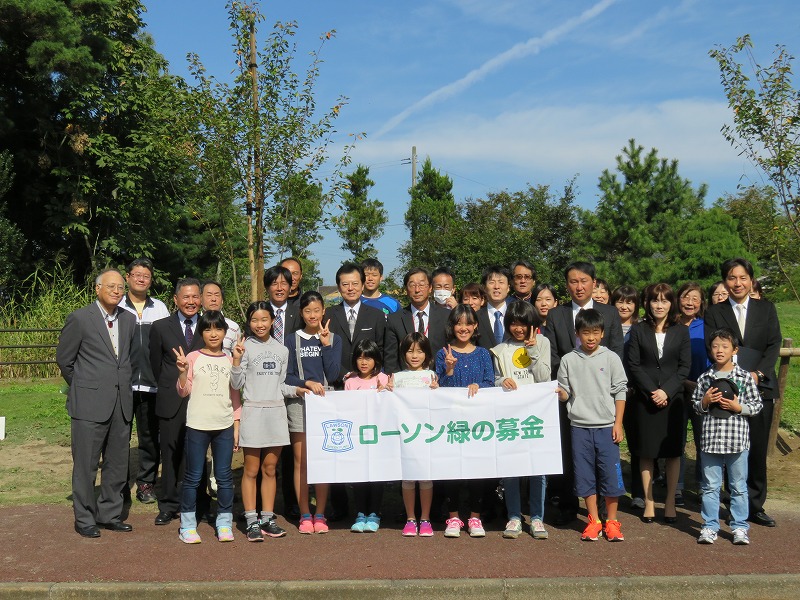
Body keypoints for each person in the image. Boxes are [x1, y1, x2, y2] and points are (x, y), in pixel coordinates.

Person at [56, 268, 136, 538]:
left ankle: (110, 514)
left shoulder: (128, 320)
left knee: (117, 463)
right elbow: (65, 360)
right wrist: (85, 386)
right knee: (86, 464)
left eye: (120, 287)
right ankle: (85, 518)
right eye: (111, 286)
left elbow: (130, 358)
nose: (116, 291)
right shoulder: (80, 318)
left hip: (121, 403)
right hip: (89, 404)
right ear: (97, 289)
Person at [543, 261, 624, 525]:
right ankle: (569, 506)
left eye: (584, 281)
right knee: (572, 453)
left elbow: (616, 353)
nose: (579, 286)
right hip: (570, 398)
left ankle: (604, 511)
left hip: (602, 400)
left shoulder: (610, 314)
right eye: (573, 282)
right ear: (567, 285)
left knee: (604, 459)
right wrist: (571, 381)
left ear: (594, 282)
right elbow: (553, 354)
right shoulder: (557, 314)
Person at [704, 257, 782, 528]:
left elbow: (773, 345)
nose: (737, 283)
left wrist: (757, 374)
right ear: (725, 281)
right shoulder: (715, 312)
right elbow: (712, 345)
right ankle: (733, 502)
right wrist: (735, 375)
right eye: (731, 278)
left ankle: (755, 504)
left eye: (742, 278)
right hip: (728, 386)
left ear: (751, 280)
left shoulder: (766, 309)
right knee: (730, 446)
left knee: (758, 447)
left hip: (760, 385)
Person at [231, 301, 308, 542]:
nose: (259, 324)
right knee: (251, 470)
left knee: (270, 469)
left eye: (264, 319)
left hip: (276, 413)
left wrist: (298, 390)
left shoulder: (282, 350)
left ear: (272, 321)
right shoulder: (244, 347)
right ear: (249, 322)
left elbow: (282, 385)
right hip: (253, 412)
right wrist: (235, 360)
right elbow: (236, 384)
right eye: (254, 320)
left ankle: (267, 518)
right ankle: (251, 520)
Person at [556, 309, 628, 542]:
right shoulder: (568, 360)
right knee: (584, 475)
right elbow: (565, 393)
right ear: (577, 333)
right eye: (585, 333)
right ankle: (594, 520)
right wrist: (559, 394)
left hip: (607, 426)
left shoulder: (611, 358)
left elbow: (620, 391)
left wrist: (618, 423)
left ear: (603, 334)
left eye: (595, 333)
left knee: (610, 475)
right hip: (579, 427)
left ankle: (612, 522)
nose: (590, 338)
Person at [173, 311, 241, 543]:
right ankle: (188, 525)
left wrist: (236, 424)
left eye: (218, 329)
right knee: (193, 477)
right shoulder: (192, 357)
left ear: (225, 332)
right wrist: (182, 372)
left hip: (224, 424)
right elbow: (184, 391)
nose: (213, 334)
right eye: (208, 329)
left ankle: (224, 522)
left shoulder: (231, 358)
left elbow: (235, 394)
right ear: (201, 332)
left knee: (224, 477)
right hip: (197, 424)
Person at [626, 283, 691, 524]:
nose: (659, 305)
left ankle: (671, 501)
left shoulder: (681, 331)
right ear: (647, 303)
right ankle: (650, 501)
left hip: (673, 400)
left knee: (673, 452)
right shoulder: (638, 330)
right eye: (655, 300)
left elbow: (684, 367)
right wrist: (653, 391)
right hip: (646, 399)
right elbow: (634, 364)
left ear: (671, 303)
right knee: (646, 452)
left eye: (664, 301)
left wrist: (667, 391)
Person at [692, 328, 762, 545]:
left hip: (737, 440)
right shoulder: (705, 377)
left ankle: (740, 527)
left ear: (734, 349)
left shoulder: (743, 377)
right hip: (711, 440)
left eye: (724, 346)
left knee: (738, 486)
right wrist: (704, 402)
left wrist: (738, 407)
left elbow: (757, 405)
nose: (719, 350)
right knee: (710, 486)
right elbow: (696, 405)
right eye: (715, 346)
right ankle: (709, 526)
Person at [490, 301, 551, 540]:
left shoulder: (543, 343)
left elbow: (545, 377)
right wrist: (500, 382)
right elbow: (494, 379)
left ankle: (537, 517)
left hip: (537, 414)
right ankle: (514, 517)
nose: (518, 328)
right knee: (511, 467)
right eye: (513, 323)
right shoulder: (499, 349)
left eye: (523, 323)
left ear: (531, 324)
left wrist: (533, 350)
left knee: (538, 468)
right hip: (510, 415)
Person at [149, 278, 206, 526]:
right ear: (175, 299)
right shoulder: (160, 327)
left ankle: (200, 504)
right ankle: (169, 504)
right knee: (170, 452)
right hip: (171, 399)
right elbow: (154, 364)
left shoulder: (211, 324)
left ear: (201, 299)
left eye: (195, 297)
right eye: (186, 297)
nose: (191, 302)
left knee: (198, 454)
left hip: (203, 401)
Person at [285, 291, 343, 534]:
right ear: (301, 313)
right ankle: (304, 514)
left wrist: (327, 345)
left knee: (323, 460)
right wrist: (306, 383)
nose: (312, 315)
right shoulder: (291, 340)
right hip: (299, 403)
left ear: (323, 312)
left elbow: (333, 374)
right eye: (307, 311)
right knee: (301, 462)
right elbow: (286, 374)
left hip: (325, 405)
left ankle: (320, 513)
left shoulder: (333, 339)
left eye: (316, 310)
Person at [435, 305, 495, 538]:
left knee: (476, 469)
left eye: (468, 323)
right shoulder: (443, 353)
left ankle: (475, 518)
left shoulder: (483, 354)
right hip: (451, 422)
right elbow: (439, 388)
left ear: (475, 326)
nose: (463, 328)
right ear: (452, 326)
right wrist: (449, 370)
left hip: (478, 423)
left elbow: (490, 382)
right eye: (459, 323)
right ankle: (453, 518)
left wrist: (479, 386)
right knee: (452, 469)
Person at [118, 257, 169, 505]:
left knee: (150, 437)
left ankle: (146, 483)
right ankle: (118, 485)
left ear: (151, 280)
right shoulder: (117, 306)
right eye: (136, 274)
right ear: (127, 277)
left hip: (152, 384)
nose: (141, 279)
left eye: (146, 276)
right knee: (119, 436)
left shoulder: (159, 308)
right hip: (122, 384)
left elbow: (167, 344)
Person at [392, 332, 438, 537]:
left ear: (427, 354)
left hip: (426, 435)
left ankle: (426, 518)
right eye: (410, 351)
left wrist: (437, 390)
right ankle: (411, 518)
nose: (414, 356)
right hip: (406, 436)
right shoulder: (396, 377)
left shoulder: (431, 376)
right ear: (403, 354)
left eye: (419, 351)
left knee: (426, 477)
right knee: (408, 478)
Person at [345, 339, 390, 533]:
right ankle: (360, 513)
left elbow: (389, 406)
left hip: (378, 437)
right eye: (360, 358)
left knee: (377, 476)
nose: (364, 362)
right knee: (359, 476)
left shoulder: (384, 378)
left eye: (368, 358)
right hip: (358, 437)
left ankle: (374, 513)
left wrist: (384, 392)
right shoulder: (350, 381)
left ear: (376, 360)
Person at [676, 282, 711, 504]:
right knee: (677, 441)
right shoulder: (671, 324)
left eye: (695, 299)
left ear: (701, 303)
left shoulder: (707, 325)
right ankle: (676, 486)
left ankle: (702, 485)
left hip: (703, 390)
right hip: (677, 391)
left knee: (702, 440)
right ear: (678, 300)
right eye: (686, 297)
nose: (690, 303)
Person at [325, 263, 386, 388]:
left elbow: (381, 349)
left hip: (368, 384)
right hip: (335, 383)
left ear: (363, 285)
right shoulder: (327, 315)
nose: (350, 288)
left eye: (355, 283)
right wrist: (344, 374)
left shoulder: (377, 315)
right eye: (345, 284)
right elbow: (325, 350)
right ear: (338, 287)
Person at [610, 284, 643, 509]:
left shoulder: (641, 329)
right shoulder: (606, 327)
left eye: (629, 301)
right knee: (611, 442)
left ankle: (639, 491)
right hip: (609, 392)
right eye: (620, 301)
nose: (624, 305)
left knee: (637, 443)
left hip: (635, 391)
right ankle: (613, 487)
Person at [384, 268, 449, 374]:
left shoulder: (446, 316)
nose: (417, 290)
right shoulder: (395, 320)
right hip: (406, 382)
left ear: (430, 288)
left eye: (422, 284)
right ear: (406, 289)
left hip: (439, 381)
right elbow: (390, 358)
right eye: (412, 285)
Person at [265, 265, 303, 346]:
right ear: (267, 288)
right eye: (274, 284)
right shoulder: (259, 312)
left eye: (284, 283)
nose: (279, 288)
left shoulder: (299, 314)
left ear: (290, 288)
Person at [201, 280, 240, 356]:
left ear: (222, 300)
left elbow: (237, 357)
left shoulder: (233, 327)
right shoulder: (194, 324)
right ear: (201, 299)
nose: (213, 299)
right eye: (209, 295)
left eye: (217, 295)